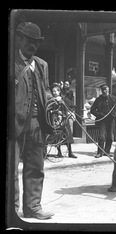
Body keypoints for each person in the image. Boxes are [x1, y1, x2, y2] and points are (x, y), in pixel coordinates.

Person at [14, 22, 54, 219]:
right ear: (19, 39)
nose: (33, 46)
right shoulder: (12, 61)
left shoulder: (41, 65)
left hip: (38, 124)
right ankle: (11, 211)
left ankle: (33, 207)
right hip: (13, 124)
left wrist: (53, 101)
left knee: (36, 167)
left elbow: (45, 90)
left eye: (36, 42)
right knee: (11, 170)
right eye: (30, 41)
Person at [49, 83, 77, 158]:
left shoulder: (63, 99)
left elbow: (72, 106)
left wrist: (71, 112)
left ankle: (70, 152)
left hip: (64, 119)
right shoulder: (51, 100)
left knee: (68, 135)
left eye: (56, 91)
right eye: (53, 91)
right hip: (55, 120)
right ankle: (59, 153)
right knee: (57, 136)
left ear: (59, 92)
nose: (54, 93)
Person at [90, 84, 116, 158]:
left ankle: (107, 152)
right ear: (101, 91)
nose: (106, 91)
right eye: (104, 90)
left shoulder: (113, 99)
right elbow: (92, 110)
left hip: (111, 120)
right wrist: (100, 114)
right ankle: (100, 152)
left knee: (110, 137)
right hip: (102, 121)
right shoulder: (98, 99)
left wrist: (115, 113)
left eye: (107, 90)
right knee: (101, 136)